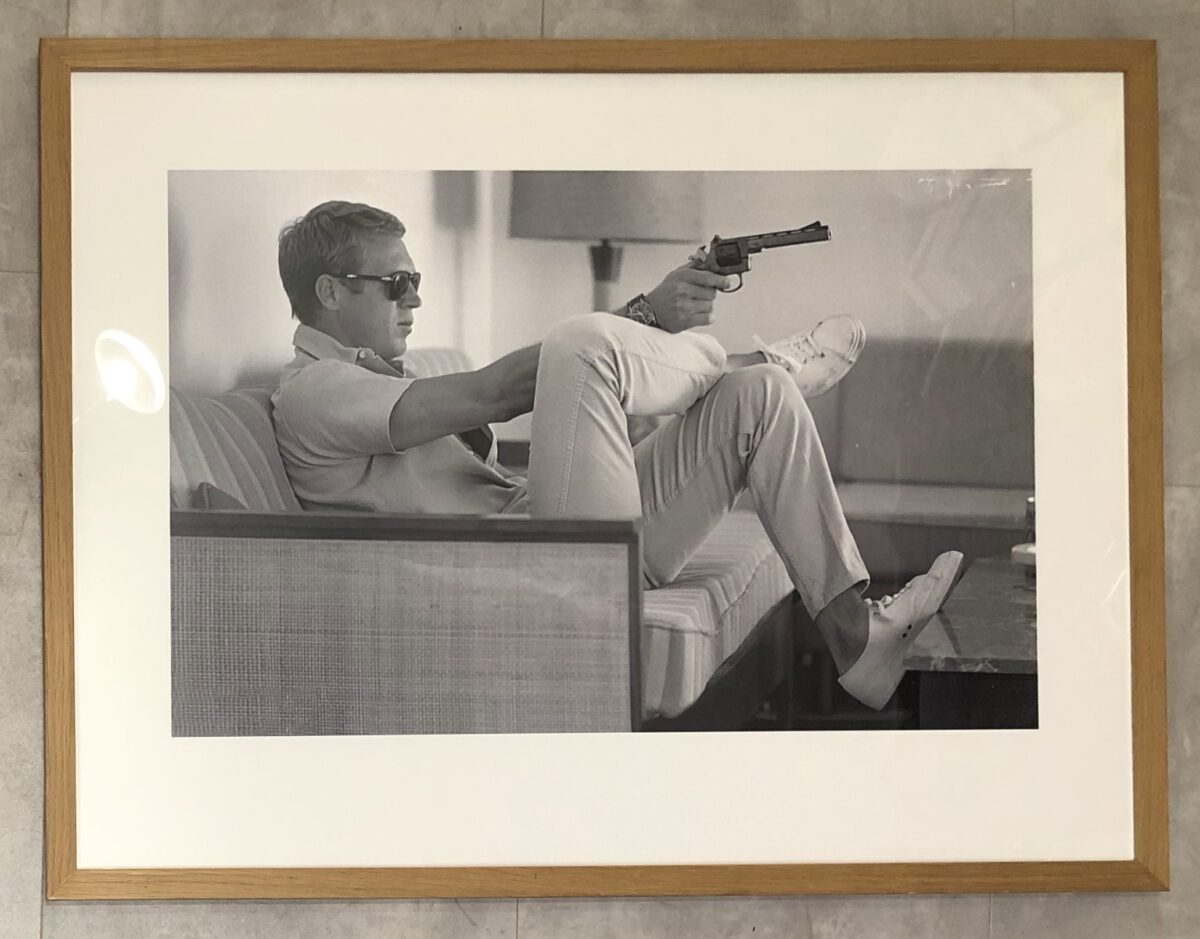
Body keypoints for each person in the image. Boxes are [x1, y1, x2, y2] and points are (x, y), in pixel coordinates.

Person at [270, 200, 963, 711]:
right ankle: (748, 355)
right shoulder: (318, 391)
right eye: (395, 283)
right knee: (580, 343)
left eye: (416, 278)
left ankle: (858, 638)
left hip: (553, 538)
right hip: (536, 576)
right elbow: (505, 390)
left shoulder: (382, 379)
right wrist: (647, 313)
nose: (416, 297)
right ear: (329, 292)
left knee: (762, 396)